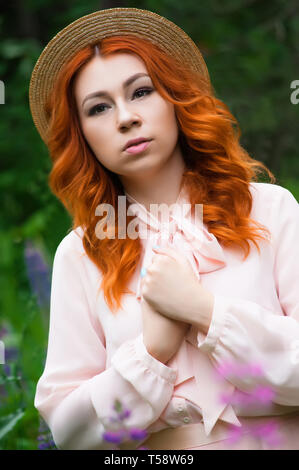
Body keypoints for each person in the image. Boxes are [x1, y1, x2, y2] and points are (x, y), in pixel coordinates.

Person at [29, 8, 299, 450]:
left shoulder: (269, 211)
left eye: (141, 92)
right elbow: (70, 431)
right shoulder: (80, 254)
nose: (125, 118)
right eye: (98, 107)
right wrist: (150, 351)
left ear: (175, 98)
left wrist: (206, 312)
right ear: (82, 135)